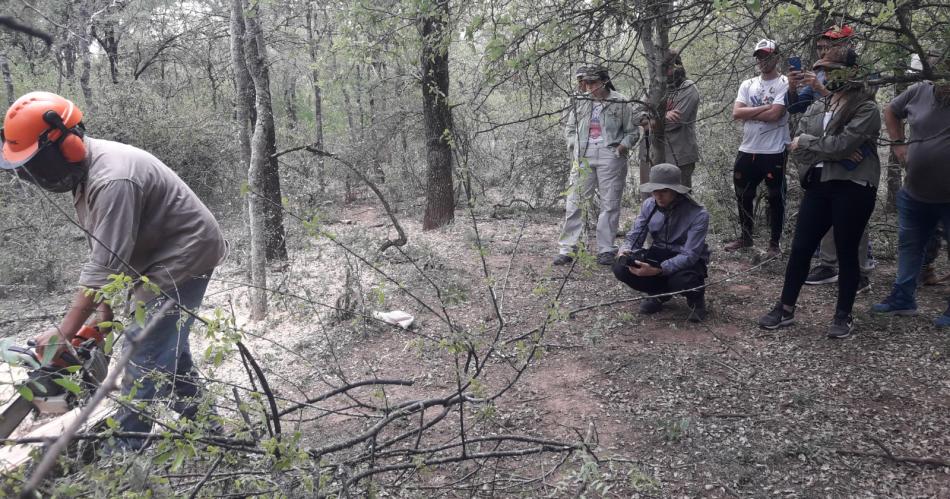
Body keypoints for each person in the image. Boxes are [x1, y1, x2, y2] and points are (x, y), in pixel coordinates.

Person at [0, 91, 228, 450]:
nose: (37, 175)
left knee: (143, 358)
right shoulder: (86, 174)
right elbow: (108, 254)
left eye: (39, 164)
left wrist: (64, 331)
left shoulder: (113, 179)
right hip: (155, 258)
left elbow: (103, 266)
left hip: (185, 255)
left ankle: (122, 456)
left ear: (69, 145)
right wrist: (100, 322)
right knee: (168, 355)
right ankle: (215, 433)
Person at [758, 57, 880, 339]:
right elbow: (796, 146)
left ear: (850, 73)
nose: (826, 76)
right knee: (801, 247)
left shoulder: (866, 108)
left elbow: (840, 145)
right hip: (819, 184)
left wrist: (815, 145)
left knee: (847, 249)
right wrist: (823, 148)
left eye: (832, 70)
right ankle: (785, 308)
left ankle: (843, 315)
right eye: (823, 71)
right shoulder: (818, 106)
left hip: (853, 186)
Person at [787, 25, 874, 292]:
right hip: (822, 161)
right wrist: (793, 87)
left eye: (830, 47)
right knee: (821, 219)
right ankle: (827, 265)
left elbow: (850, 111)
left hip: (851, 165)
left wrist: (823, 91)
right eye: (822, 47)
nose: (824, 53)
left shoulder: (859, 78)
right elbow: (797, 109)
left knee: (851, 225)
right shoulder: (818, 75)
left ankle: (859, 273)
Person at [871, 56, 950, 326]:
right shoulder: (919, 91)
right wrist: (898, 144)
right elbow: (891, 110)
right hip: (915, 193)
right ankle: (903, 298)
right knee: (909, 246)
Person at [555, 65, 639, 266]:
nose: (589, 86)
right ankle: (568, 248)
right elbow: (570, 127)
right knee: (575, 200)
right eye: (586, 82)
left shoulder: (620, 101)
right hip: (583, 155)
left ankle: (606, 249)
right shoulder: (579, 101)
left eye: (593, 82)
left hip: (610, 155)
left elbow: (632, 131)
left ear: (604, 81)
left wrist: (621, 148)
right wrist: (573, 145)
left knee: (610, 203)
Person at [613, 163, 710, 322]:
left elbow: (690, 255)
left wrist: (658, 270)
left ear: (676, 191)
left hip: (685, 259)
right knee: (620, 267)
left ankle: (696, 300)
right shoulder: (649, 205)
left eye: (664, 191)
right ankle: (659, 295)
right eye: (654, 190)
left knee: (683, 280)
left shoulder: (698, 214)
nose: (658, 195)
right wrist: (625, 250)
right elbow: (635, 236)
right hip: (657, 253)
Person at [725, 39, 790, 258]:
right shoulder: (747, 84)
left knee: (775, 197)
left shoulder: (785, 83)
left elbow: (776, 115)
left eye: (767, 56)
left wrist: (750, 111)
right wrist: (765, 107)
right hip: (748, 147)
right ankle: (746, 237)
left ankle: (774, 243)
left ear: (777, 57)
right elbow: (736, 114)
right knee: (743, 194)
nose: (762, 61)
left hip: (774, 150)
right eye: (759, 57)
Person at [639, 50, 701, 189]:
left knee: (678, 202)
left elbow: (674, 123)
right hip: (650, 153)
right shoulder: (654, 88)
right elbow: (635, 116)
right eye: (661, 68)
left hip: (678, 155)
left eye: (669, 67)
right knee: (650, 200)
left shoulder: (688, 88)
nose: (666, 72)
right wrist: (662, 116)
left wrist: (649, 119)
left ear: (678, 66)